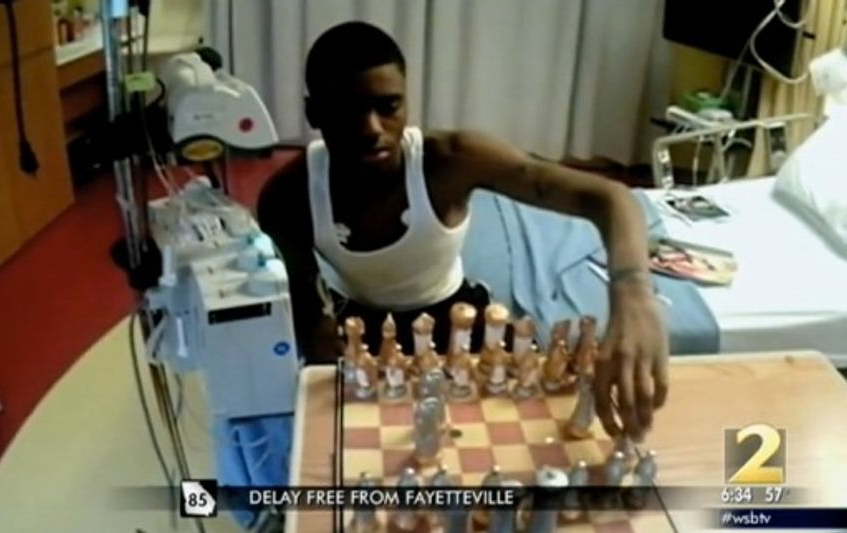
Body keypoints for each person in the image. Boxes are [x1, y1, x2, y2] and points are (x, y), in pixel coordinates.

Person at [257, 21, 668, 441]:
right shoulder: (288, 195)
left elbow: (610, 198)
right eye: (348, 111)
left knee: (508, 431)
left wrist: (634, 292)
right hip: (362, 324)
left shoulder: (451, 162)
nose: (372, 128)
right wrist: (324, 347)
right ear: (314, 113)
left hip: (454, 316)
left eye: (389, 106)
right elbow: (309, 308)